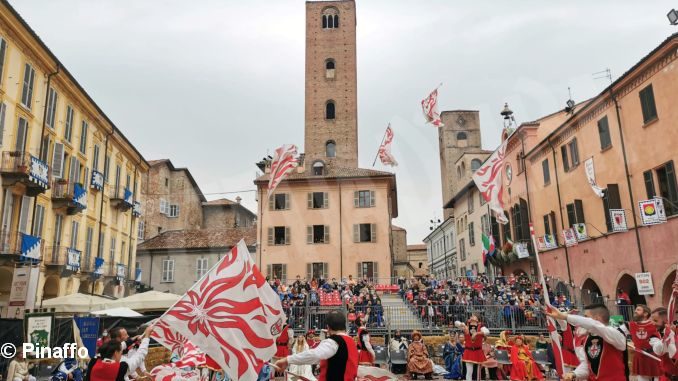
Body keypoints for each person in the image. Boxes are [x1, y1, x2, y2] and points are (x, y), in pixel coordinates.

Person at [546, 303, 628, 380]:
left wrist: (565, 316)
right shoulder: (587, 339)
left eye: (586, 317)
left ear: (597, 318)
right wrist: (574, 373)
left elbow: (593, 325)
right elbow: (587, 366)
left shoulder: (616, 335)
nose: (583, 320)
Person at [274, 310, 358, 381]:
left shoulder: (333, 341)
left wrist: (287, 360)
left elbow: (314, 355)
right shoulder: (351, 341)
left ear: (328, 327)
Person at [84, 324, 152, 381]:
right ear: (116, 353)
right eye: (120, 352)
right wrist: (147, 337)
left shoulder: (94, 361)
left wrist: (135, 339)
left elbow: (119, 346)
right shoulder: (121, 368)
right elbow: (139, 355)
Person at [624, 304, 662, 381]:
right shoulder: (630, 325)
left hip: (654, 357)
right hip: (640, 358)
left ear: (645, 313)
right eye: (635, 310)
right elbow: (617, 332)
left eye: (638, 310)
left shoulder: (654, 325)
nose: (635, 311)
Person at [456, 314, 489, 381]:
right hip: (468, 351)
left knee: (477, 372)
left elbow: (487, 332)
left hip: (477, 351)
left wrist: (477, 333)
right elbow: (456, 323)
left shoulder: (481, 327)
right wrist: (461, 324)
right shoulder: (466, 327)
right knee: (469, 371)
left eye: (474, 318)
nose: (472, 318)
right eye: (471, 317)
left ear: (477, 320)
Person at [651, 306, 678, 380]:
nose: (652, 323)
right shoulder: (654, 335)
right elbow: (658, 351)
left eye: (655, 320)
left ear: (666, 321)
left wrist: (673, 334)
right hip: (666, 377)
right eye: (652, 320)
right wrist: (667, 336)